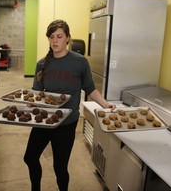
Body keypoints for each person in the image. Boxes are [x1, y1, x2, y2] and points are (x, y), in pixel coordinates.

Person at [23, 19, 116, 191]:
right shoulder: (42, 64)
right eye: (51, 37)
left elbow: (90, 88)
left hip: (66, 124)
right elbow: (37, 92)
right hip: (45, 119)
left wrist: (105, 104)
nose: (55, 40)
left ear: (67, 38)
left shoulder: (80, 62)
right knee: (30, 157)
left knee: (60, 167)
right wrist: (30, 102)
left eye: (59, 36)